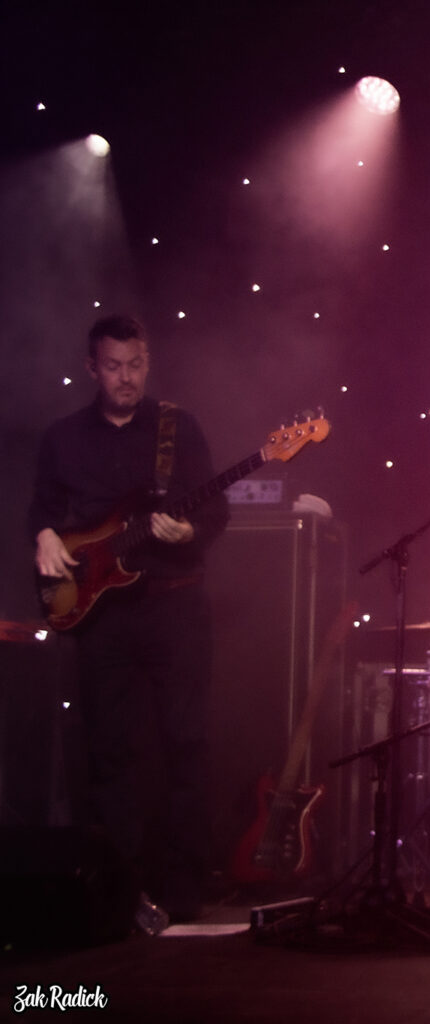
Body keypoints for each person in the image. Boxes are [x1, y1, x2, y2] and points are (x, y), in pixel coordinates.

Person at [29, 313, 229, 928]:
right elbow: (41, 506)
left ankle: (183, 892)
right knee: (110, 753)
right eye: (114, 366)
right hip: (100, 614)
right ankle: (121, 893)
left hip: (175, 605)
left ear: (148, 361)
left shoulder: (177, 426)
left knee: (185, 745)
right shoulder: (63, 437)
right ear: (92, 368)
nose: (126, 377)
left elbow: (216, 508)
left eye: (136, 364)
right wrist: (41, 535)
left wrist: (190, 528)